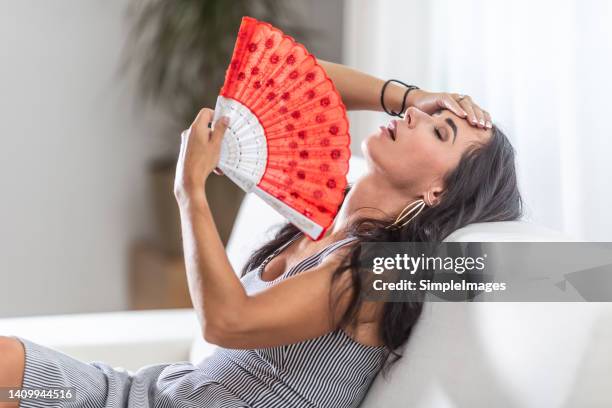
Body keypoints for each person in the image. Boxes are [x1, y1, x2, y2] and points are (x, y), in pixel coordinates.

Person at [0, 59, 522, 408]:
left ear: (437, 192)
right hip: (148, 394)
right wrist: (414, 93)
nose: (413, 115)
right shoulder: (325, 206)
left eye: (439, 130)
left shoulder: (378, 273)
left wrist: (192, 193)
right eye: (425, 114)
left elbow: (227, 322)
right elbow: (288, 80)